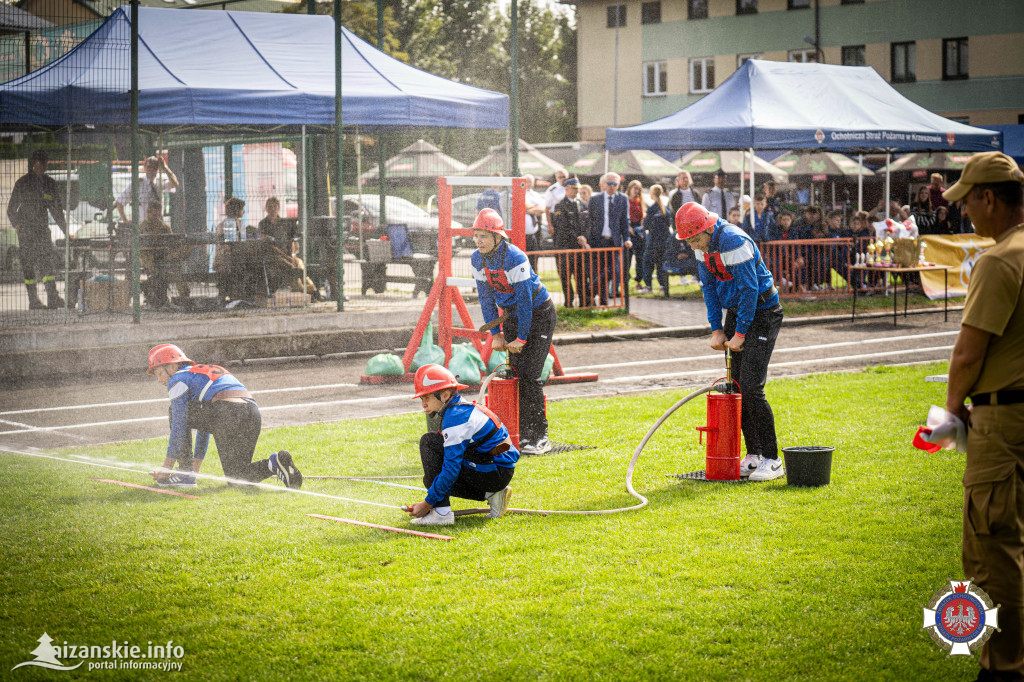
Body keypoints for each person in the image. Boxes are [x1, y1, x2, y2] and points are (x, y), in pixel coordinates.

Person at [942, 151, 1024, 682]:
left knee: (994, 554)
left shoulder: (998, 260)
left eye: (968, 200)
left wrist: (949, 411)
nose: (964, 212)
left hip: (1003, 422)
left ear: (988, 198)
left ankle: (1005, 668)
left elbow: (968, 354)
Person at [675, 202, 784, 481]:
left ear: (709, 228)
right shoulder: (703, 247)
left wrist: (741, 333)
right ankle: (754, 454)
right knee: (735, 387)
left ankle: (772, 459)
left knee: (751, 387)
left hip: (763, 311)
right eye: (688, 241)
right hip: (738, 312)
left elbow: (749, 289)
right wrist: (716, 329)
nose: (693, 246)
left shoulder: (733, 240)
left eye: (695, 239)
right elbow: (709, 289)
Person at [146, 343, 303, 489]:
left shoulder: (176, 379)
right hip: (252, 413)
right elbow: (204, 428)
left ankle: (184, 473)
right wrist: (194, 472)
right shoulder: (198, 374)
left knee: (174, 412)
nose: (160, 380)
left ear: (173, 366)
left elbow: (179, 424)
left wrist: (167, 468)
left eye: (159, 373)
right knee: (237, 477)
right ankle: (274, 463)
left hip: (227, 412)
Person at [471, 208, 557, 455]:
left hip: (538, 314)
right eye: (476, 235)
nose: (478, 241)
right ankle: (519, 432)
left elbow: (525, 301)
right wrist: (495, 333)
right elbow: (486, 298)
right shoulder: (477, 259)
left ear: (498, 237)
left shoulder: (515, 257)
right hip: (511, 315)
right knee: (514, 373)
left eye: (484, 236)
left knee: (530, 374)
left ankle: (540, 435)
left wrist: (521, 337)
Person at [405, 364, 518, 527]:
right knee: (433, 467)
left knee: (429, 444)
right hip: (498, 470)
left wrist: (427, 504)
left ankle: (441, 513)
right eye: (422, 399)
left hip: (496, 472)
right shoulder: (458, 410)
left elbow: (451, 470)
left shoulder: (456, 418)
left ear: (444, 395)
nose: (423, 404)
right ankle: (492, 494)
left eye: (426, 398)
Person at [6, 149, 68, 310]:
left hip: (42, 232)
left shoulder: (50, 184)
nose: (43, 167)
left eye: (45, 164)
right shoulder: (23, 183)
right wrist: (17, 225)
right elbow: (11, 209)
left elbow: (57, 211)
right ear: (34, 163)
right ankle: (33, 300)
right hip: (26, 233)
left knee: (47, 265)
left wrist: (66, 232)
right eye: (40, 164)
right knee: (28, 266)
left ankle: (52, 298)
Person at [257, 196, 320, 299]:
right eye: (269, 207)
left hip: (287, 255)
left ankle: (313, 290)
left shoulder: (284, 222)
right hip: (274, 255)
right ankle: (309, 293)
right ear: (266, 208)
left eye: (274, 207)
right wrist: (288, 257)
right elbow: (268, 245)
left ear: (278, 208)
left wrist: (291, 255)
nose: (272, 209)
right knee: (293, 268)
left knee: (299, 263)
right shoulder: (263, 224)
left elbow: (290, 241)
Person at [587, 172, 632, 304]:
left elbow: (625, 221)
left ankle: (590, 289)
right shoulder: (595, 199)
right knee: (599, 270)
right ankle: (603, 301)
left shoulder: (623, 199)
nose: (611, 186)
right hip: (598, 240)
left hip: (615, 240)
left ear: (618, 185)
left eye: (614, 184)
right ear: (604, 184)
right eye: (609, 183)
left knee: (615, 270)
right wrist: (588, 239)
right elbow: (590, 221)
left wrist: (627, 238)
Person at [140, 200, 191, 309]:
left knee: (177, 266)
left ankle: (184, 295)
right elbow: (141, 248)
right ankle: (158, 299)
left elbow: (172, 242)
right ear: (147, 212)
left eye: (159, 215)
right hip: (148, 257)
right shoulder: (141, 227)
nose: (157, 218)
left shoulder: (164, 227)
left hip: (163, 256)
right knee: (157, 270)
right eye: (154, 215)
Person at [549, 177, 589, 307]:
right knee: (566, 277)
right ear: (566, 188)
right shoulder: (560, 205)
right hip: (566, 246)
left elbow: (588, 224)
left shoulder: (583, 204)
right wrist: (578, 238)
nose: (576, 191)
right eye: (573, 188)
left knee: (581, 276)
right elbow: (563, 226)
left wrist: (584, 237)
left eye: (577, 188)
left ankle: (584, 302)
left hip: (580, 247)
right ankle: (569, 301)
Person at [115, 155, 178, 224]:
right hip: (142, 226)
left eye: (154, 167)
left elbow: (175, 184)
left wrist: (165, 168)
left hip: (158, 225)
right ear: (144, 168)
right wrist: (125, 221)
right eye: (149, 167)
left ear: (157, 169)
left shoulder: (160, 181)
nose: (151, 169)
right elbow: (119, 202)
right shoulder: (138, 184)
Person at [641, 184, 672, 295]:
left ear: (652, 194)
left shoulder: (652, 208)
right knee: (661, 264)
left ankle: (648, 286)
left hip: (654, 241)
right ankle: (662, 286)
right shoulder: (666, 209)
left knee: (647, 263)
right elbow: (669, 223)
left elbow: (646, 225)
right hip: (665, 240)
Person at [626, 179, 647, 290]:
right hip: (629, 229)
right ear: (630, 188)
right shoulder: (626, 200)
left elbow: (643, 215)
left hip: (639, 230)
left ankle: (638, 281)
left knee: (640, 258)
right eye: (635, 188)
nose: (636, 191)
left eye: (639, 189)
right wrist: (628, 228)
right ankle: (625, 281)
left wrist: (643, 221)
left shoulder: (640, 202)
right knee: (627, 259)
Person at [523, 174, 546, 272]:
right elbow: (522, 206)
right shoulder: (520, 193)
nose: (528, 184)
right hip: (522, 235)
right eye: (526, 181)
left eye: (530, 182)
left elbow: (541, 209)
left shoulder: (536, 195)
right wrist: (534, 207)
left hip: (533, 235)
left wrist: (528, 209)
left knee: (534, 261)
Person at [544, 168, 569, 234]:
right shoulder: (552, 190)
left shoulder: (571, 187)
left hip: (570, 217)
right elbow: (547, 209)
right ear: (556, 178)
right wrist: (549, 225)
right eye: (560, 177)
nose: (562, 179)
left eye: (564, 177)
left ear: (567, 176)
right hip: (557, 218)